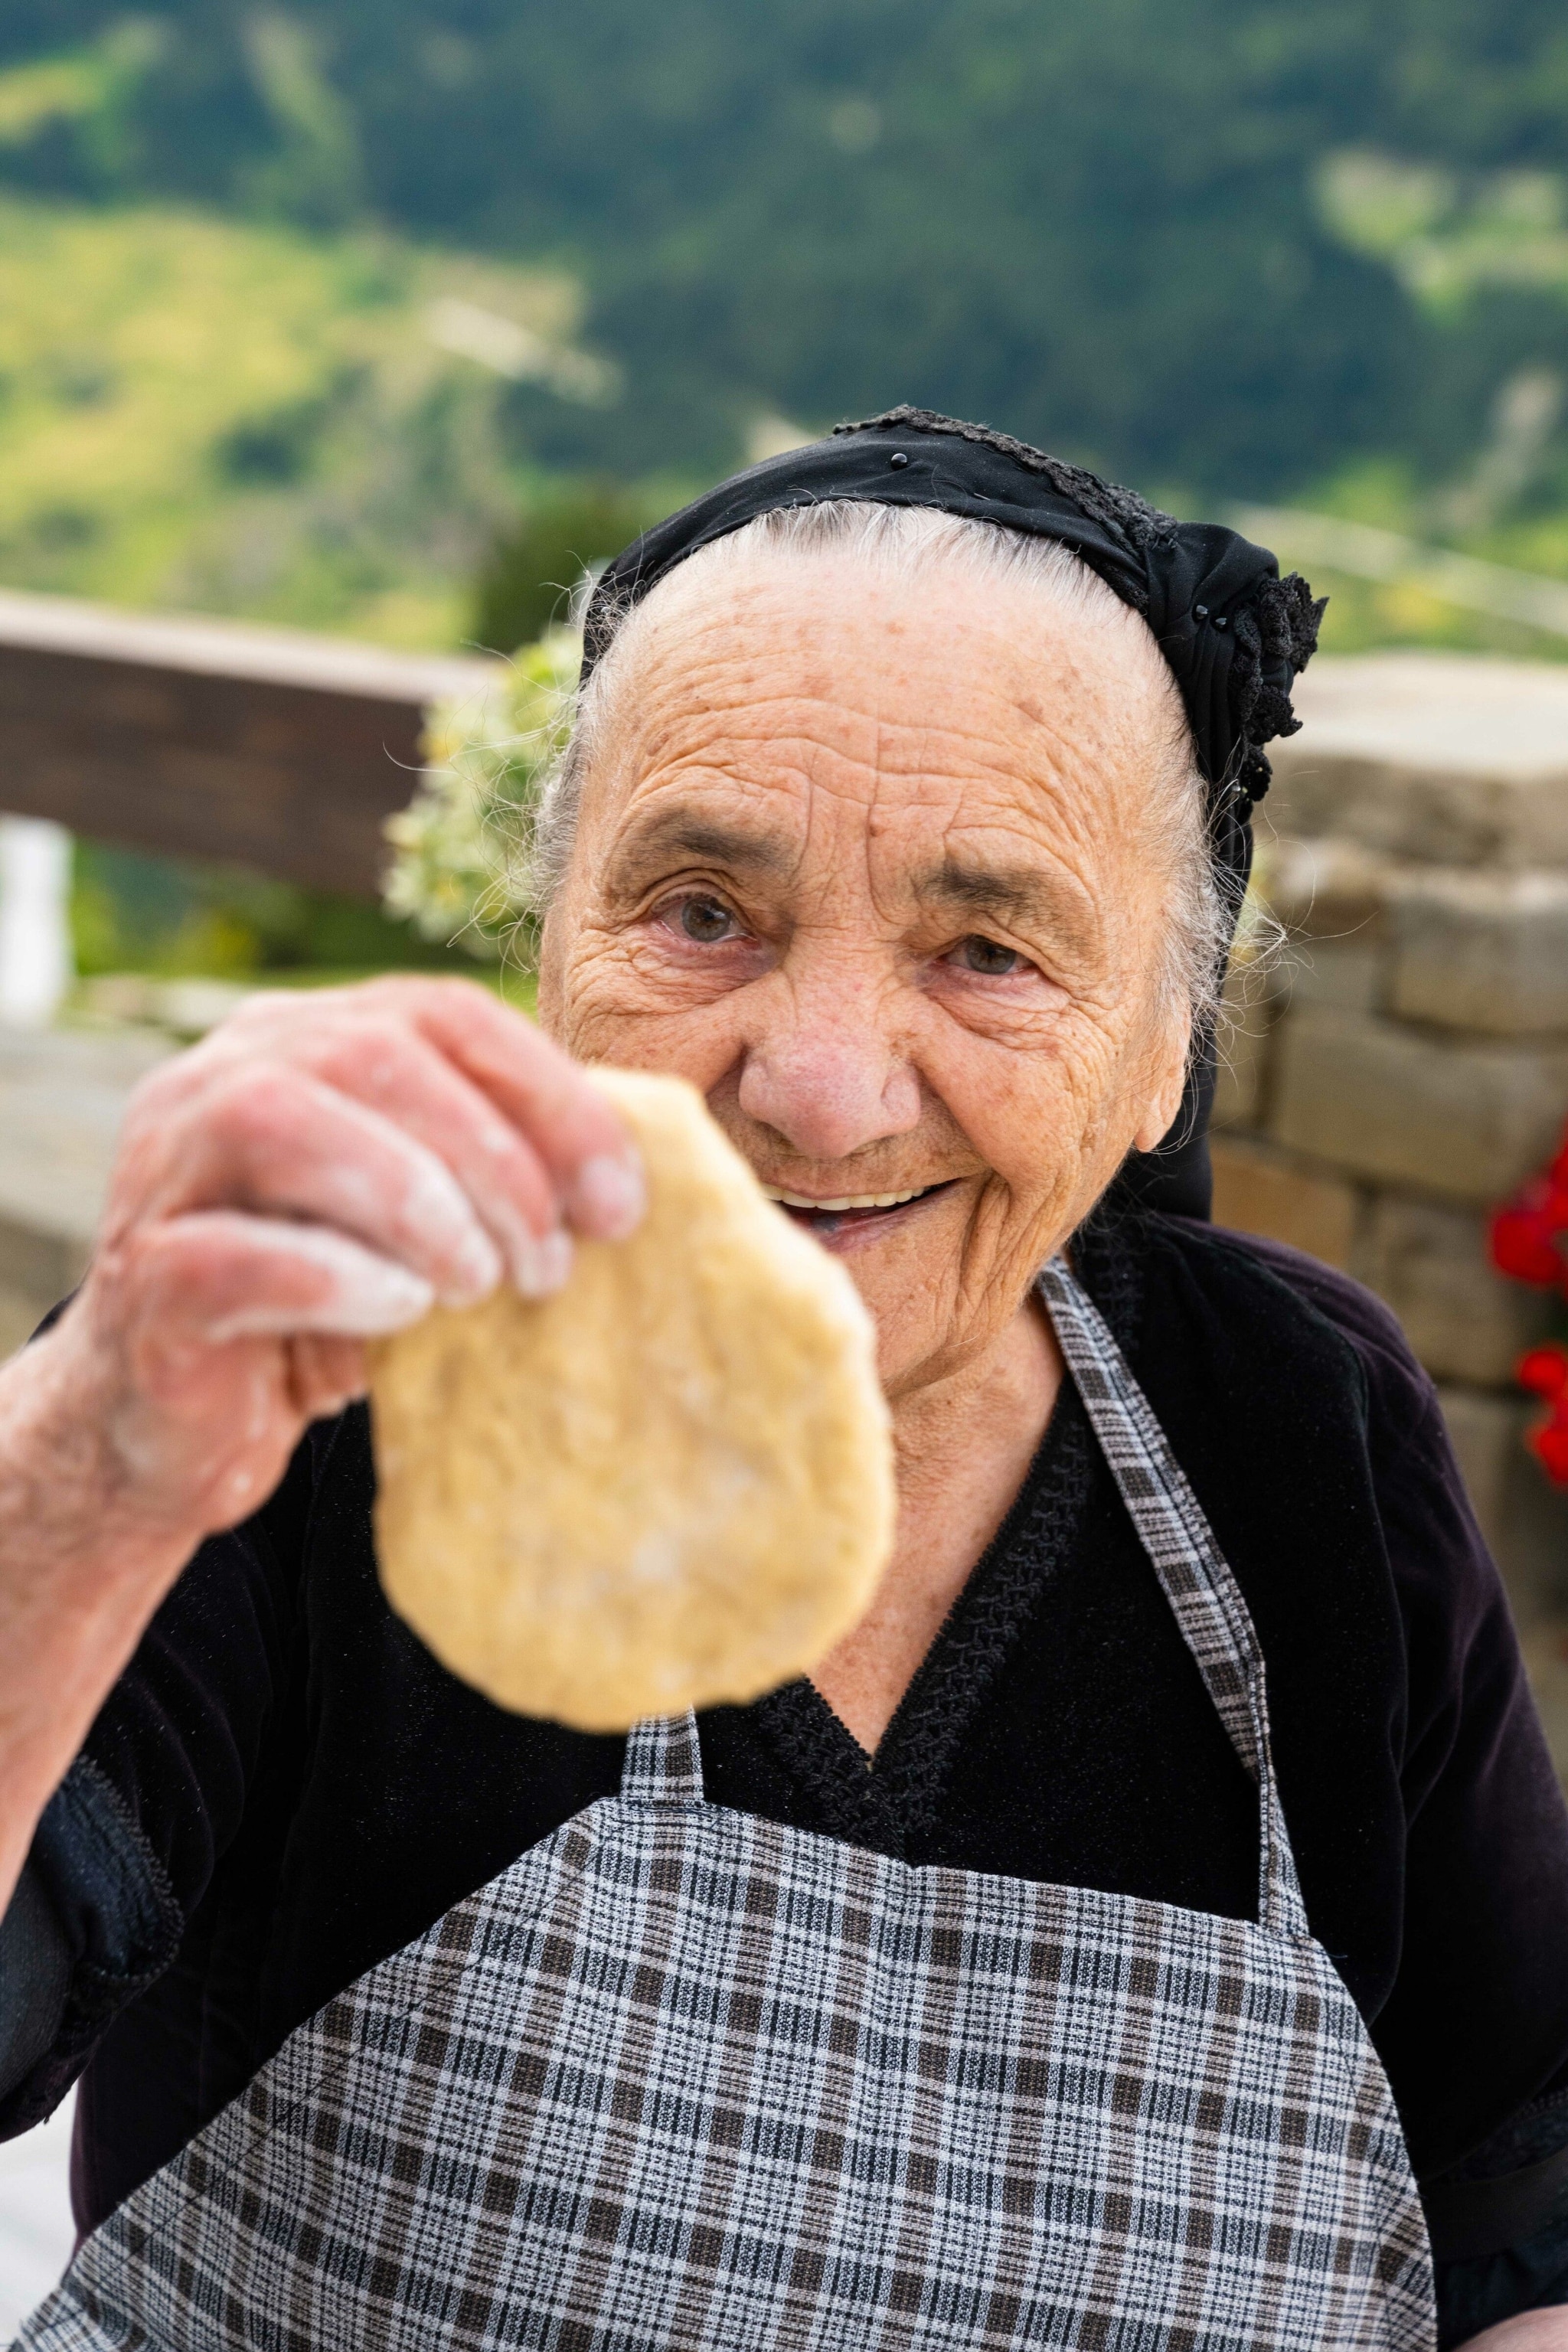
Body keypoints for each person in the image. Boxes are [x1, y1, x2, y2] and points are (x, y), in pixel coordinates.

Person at [0, 407, 1565, 2351]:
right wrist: (89, 1461)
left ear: (1168, 1036)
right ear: (554, 936)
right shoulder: (309, 1377)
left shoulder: (1299, 1421)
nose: (819, 1089)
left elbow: (1520, 2223)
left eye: (986, 949)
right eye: (701, 913)